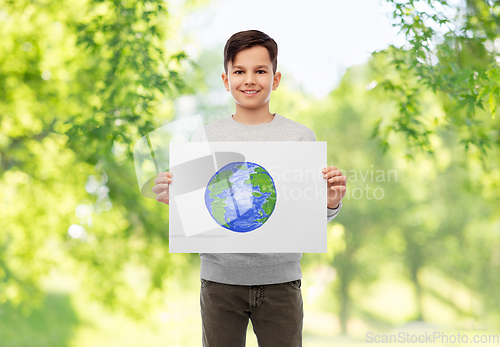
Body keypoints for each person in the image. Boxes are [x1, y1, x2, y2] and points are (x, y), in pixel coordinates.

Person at [152, 30, 346, 347]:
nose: (249, 80)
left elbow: (304, 219)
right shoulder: (205, 139)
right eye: (239, 71)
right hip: (220, 281)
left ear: (276, 77)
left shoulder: (300, 138)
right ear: (226, 80)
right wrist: (174, 200)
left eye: (260, 71)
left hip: (281, 282)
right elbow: (198, 215)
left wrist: (330, 202)